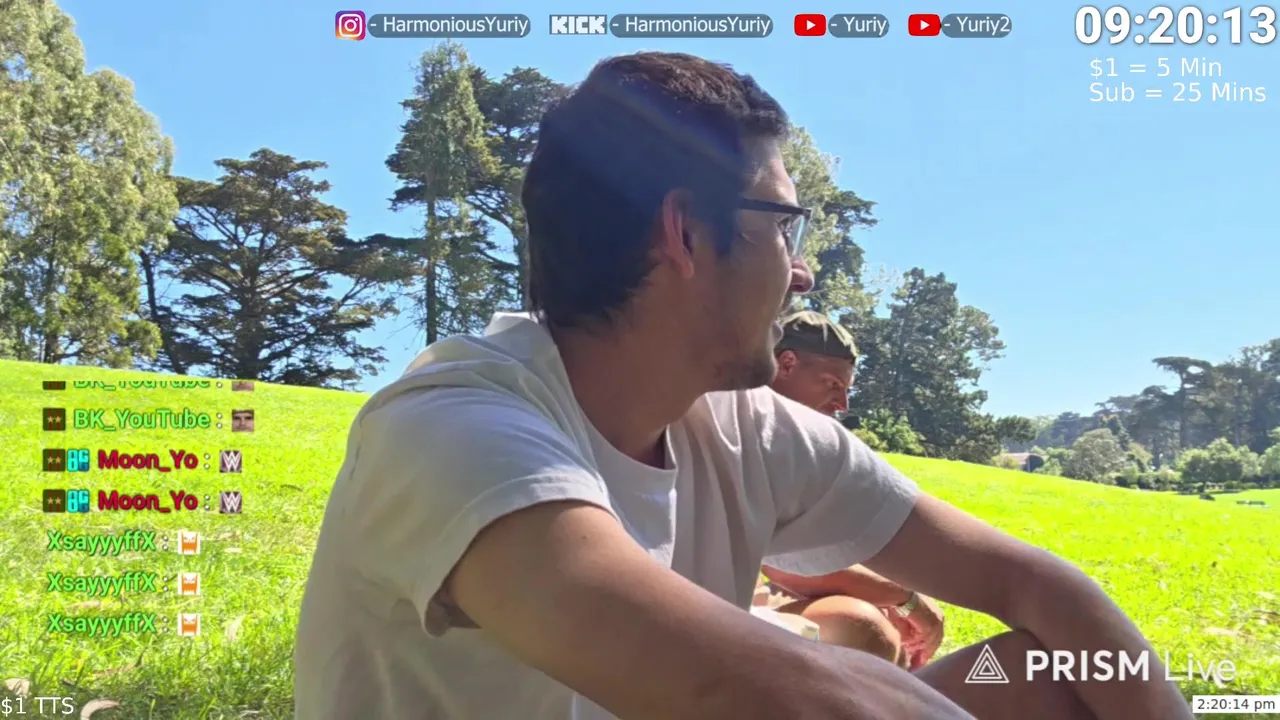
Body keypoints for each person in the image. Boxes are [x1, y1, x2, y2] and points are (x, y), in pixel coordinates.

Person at [294, 51, 1192, 720]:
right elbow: (760, 694)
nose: (803, 274)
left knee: (1048, 675)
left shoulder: (745, 427)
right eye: (785, 228)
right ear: (685, 233)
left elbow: (1037, 585)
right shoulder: (453, 430)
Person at [760, 311, 944, 671]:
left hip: (739, 597)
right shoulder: (761, 432)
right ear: (787, 364)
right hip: (705, 606)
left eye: (846, 390)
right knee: (863, 627)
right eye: (832, 385)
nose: (842, 405)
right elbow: (784, 567)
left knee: (881, 625)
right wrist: (906, 599)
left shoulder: (800, 444)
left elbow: (824, 550)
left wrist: (891, 597)